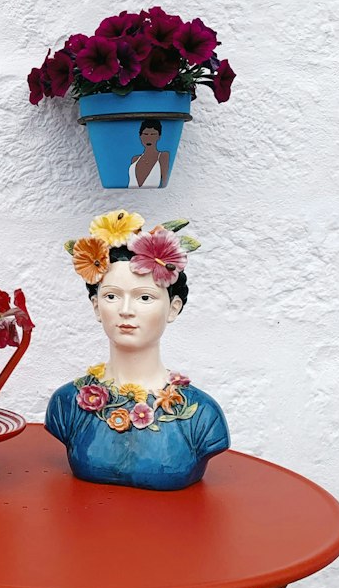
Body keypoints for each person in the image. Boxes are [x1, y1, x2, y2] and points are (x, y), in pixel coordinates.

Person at [45, 213, 229, 490]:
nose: (126, 310)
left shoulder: (202, 416)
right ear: (96, 306)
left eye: (145, 297)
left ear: (174, 308)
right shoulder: (67, 404)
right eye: (111, 296)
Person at [128, 118, 170, 188]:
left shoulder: (163, 156)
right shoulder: (135, 159)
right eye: (145, 134)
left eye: (153, 134)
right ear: (140, 136)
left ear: (159, 136)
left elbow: (164, 183)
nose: (149, 138)